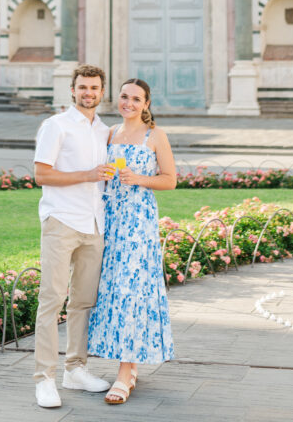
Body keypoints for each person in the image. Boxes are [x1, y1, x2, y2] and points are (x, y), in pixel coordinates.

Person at [87, 77, 176, 405]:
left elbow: (170, 180)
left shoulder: (156, 136)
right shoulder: (110, 133)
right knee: (113, 291)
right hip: (110, 222)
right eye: (124, 97)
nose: (129, 103)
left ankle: (124, 374)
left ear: (146, 104)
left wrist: (139, 179)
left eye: (136, 99)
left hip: (138, 227)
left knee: (132, 292)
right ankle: (129, 364)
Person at [33, 64, 113, 409]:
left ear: (102, 92)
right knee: (51, 300)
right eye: (83, 87)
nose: (88, 93)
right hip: (61, 221)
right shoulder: (56, 126)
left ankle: (75, 369)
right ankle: (45, 378)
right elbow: (41, 174)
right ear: (72, 90)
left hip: (94, 224)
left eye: (94, 88)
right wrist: (88, 175)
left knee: (83, 302)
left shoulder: (104, 130)